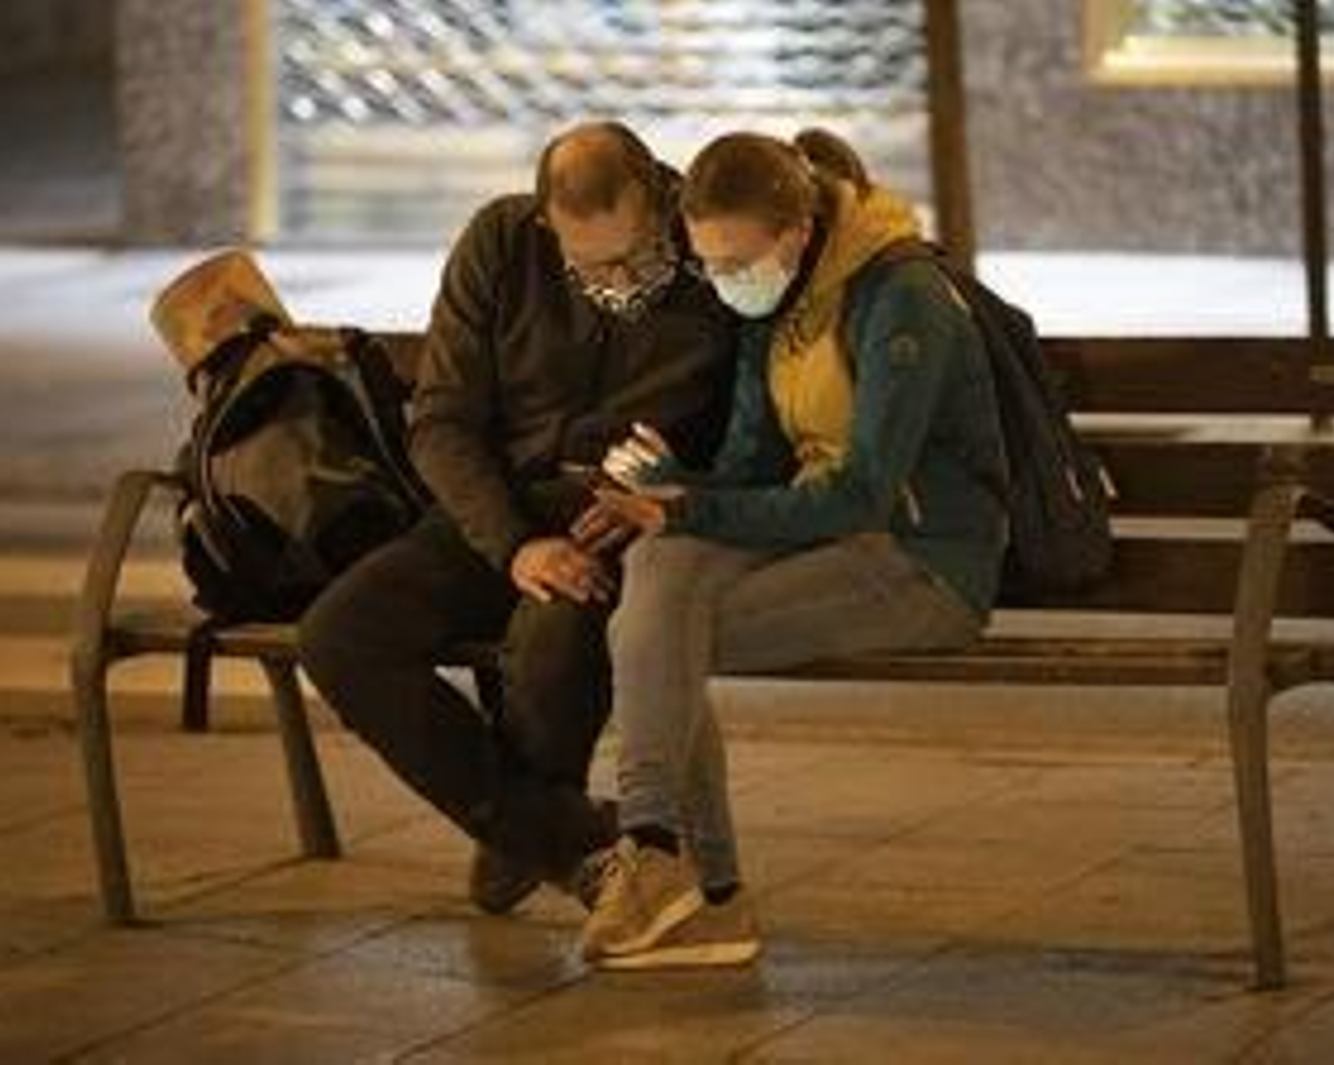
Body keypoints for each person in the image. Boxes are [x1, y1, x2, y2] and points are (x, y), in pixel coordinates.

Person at [570, 130, 1010, 968]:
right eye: (710, 264)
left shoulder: (902, 297)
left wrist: (693, 509)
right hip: (824, 540)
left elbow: (863, 492)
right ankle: (668, 863)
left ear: (798, 233)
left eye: (738, 262)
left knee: (658, 634)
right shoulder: (779, 302)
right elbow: (750, 465)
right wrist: (673, 488)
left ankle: (694, 881)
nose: (727, 281)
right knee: (661, 567)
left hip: (920, 560)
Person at [297, 122, 734, 915]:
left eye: (633, 257)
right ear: (545, 224)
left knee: (555, 635)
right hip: (498, 511)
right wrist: (514, 543)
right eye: (590, 265)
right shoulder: (501, 243)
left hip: (629, 525)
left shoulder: (711, 252)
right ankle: (559, 836)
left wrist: (668, 494)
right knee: (339, 635)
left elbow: (752, 432)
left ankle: (523, 837)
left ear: (659, 200)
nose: (617, 280)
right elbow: (442, 422)